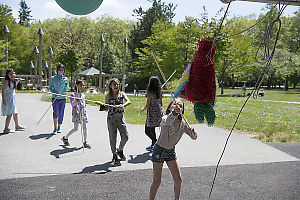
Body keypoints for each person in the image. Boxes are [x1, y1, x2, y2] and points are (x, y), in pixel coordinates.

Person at [149, 98, 197, 200]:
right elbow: (168, 120)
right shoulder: (165, 118)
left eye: (180, 105)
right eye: (175, 104)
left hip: (171, 151)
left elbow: (194, 138)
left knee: (178, 179)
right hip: (159, 150)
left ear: (183, 110)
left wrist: (193, 132)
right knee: (157, 181)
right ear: (170, 107)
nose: (178, 106)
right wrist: (175, 112)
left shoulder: (183, 123)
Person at [97, 78, 131, 164]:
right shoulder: (108, 96)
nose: (116, 86)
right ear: (110, 86)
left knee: (126, 136)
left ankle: (120, 150)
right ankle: (114, 154)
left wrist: (122, 105)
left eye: (117, 84)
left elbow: (129, 101)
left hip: (120, 118)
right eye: (114, 84)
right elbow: (106, 108)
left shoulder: (121, 94)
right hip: (111, 119)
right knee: (113, 138)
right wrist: (101, 105)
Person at [61, 80, 90, 148]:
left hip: (83, 113)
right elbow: (73, 104)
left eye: (83, 85)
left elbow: (84, 104)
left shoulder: (83, 95)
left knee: (85, 128)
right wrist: (76, 101)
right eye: (80, 85)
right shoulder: (73, 95)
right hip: (76, 113)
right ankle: (65, 138)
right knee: (75, 129)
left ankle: (85, 142)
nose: (82, 87)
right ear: (76, 86)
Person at [140, 76, 163, 152]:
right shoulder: (159, 92)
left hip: (152, 113)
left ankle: (156, 143)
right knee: (152, 129)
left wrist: (142, 109)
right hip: (158, 112)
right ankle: (153, 145)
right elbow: (161, 104)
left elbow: (147, 105)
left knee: (147, 130)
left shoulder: (150, 93)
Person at [1, 68, 25, 134]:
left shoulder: (12, 81)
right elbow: (2, 91)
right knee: (9, 114)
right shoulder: (7, 81)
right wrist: (3, 100)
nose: (12, 75)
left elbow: (12, 87)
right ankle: (6, 129)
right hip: (8, 99)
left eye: (13, 73)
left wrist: (18, 81)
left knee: (15, 112)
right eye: (10, 74)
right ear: (7, 75)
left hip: (12, 99)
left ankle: (17, 126)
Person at [49, 63, 69, 134]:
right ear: (57, 70)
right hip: (55, 98)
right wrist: (54, 93)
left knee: (61, 113)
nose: (61, 71)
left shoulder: (65, 79)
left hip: (63, 98)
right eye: (59, 70)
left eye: (62, 70)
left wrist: (66, 86)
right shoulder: (53, 78)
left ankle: (59, 127)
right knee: (55, 112)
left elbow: (67, 89)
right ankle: (54, 128)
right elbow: (50, 88)